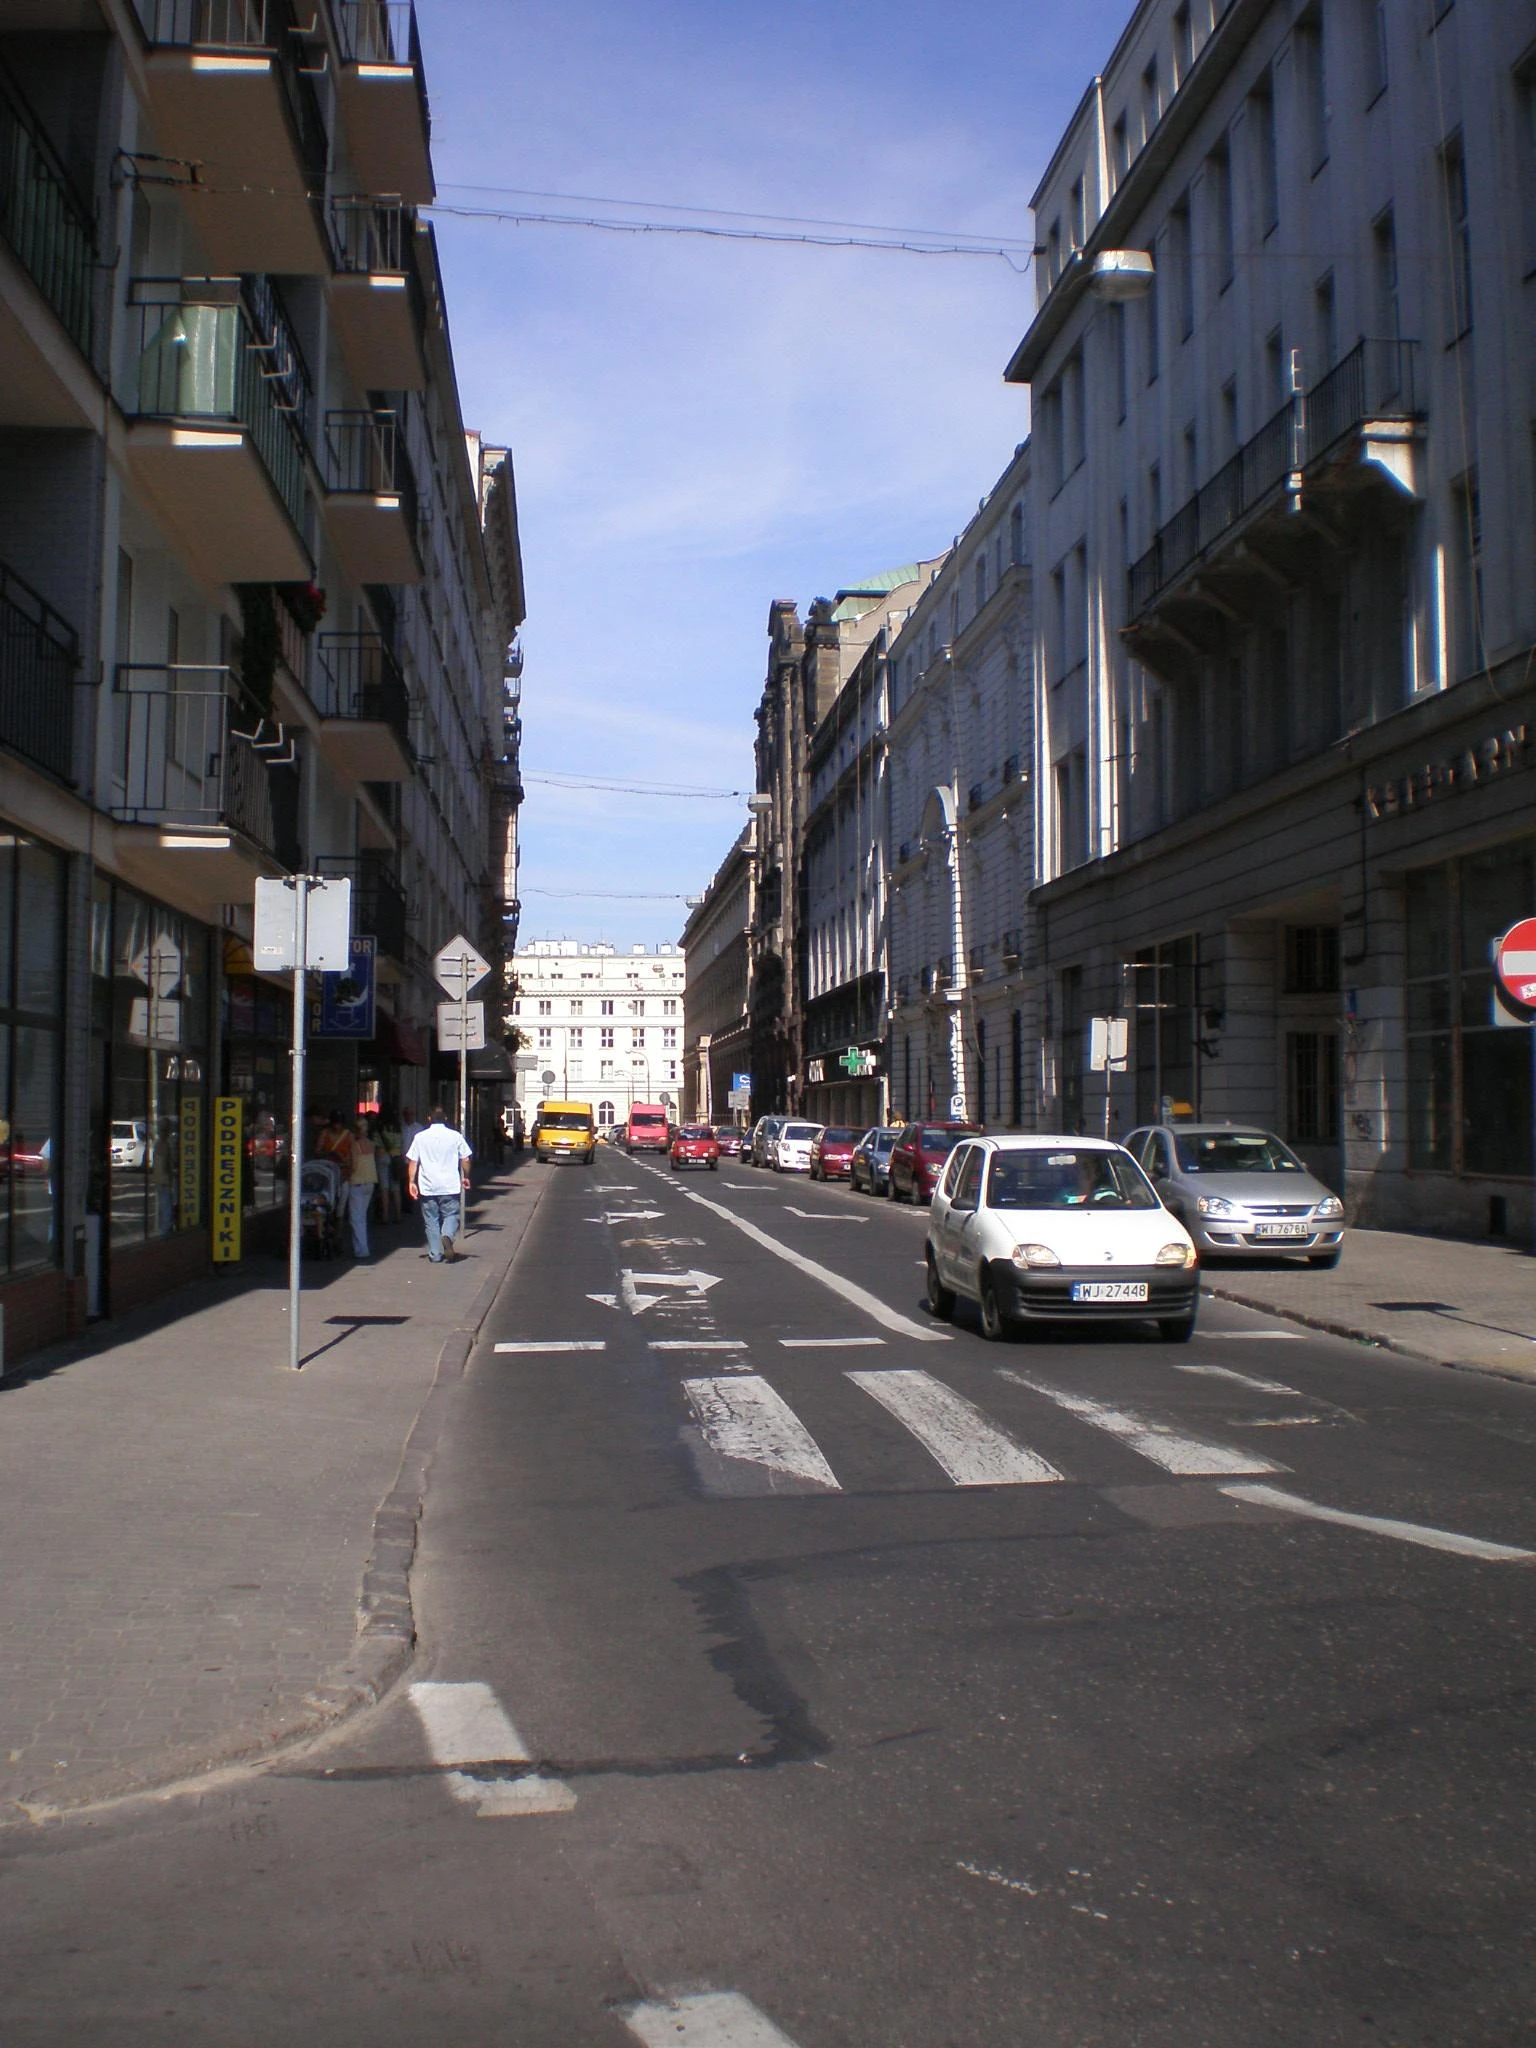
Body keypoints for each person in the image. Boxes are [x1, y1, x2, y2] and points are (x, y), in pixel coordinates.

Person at [404, 1105, 472, 1263]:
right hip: (449, 1185)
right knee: (451, 1215)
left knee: (431, 1221)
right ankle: (447, 1235)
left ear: (429, 1119)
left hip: (428, 1187)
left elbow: (413, 1161)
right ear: (445, 1119)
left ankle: (435, 1254)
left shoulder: (420, 1137)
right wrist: (466, 1176)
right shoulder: (455, 1136)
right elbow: (465, 1159)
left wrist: (411, 1182)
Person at [346, 1119, 378, 1258]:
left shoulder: (355, 1145)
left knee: (356, 1218)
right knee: (362, 1216)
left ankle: (361, 1249)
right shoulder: (371, 1144)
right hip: (370, 1181)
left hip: (357, 1182)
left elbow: (354, 1165)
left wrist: (347, 1175)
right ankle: (362, 1247)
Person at [375, 1112, 402, 1224]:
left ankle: (385, 1216)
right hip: (395, 1158)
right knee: (396, 1188)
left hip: (383, 1157)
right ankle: (398, 1215)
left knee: (384, 1188)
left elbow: (376, 1145)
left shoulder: (380, 1128)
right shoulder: (397, 1128)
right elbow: (401, 1143)